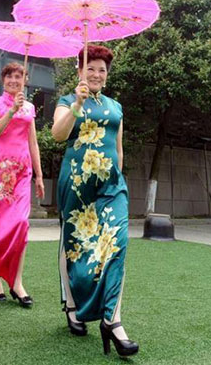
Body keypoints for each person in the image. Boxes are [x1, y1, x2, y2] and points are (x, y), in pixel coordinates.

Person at [51, 45, 139, 357]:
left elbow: (118, 147)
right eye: (91, 68)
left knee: (117, 244)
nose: (97, 74)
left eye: (102, 70)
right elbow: (58, 134)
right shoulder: (67, 101)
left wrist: (119, 177)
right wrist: (77, 103)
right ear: (80, 71)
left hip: (112, 186)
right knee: (75, 245)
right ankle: (72, 305)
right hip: (77, 184)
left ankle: (112, 320)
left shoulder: (116, 107)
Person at [0, 63, 45, 305]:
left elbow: (33, 143)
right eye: (10, 76)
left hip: (22, 172)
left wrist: (39, 175)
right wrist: (12, 110)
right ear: (3, 80)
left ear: (25, 81)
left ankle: (17, 282)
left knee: (21, 224)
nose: (14, 80)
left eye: (19, 77)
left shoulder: (30, 107)